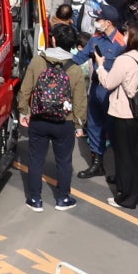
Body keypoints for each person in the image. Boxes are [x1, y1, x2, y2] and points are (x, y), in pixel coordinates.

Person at [17, 23, 87, 211]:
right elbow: (80, 99)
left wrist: (24, 111)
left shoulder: (38, 61)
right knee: (64, 161)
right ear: (72, 44)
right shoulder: (75, 69)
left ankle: (35, 199)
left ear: (53, 39)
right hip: (65, 122)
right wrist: (79, 124)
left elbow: (26, 88)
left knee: (35, 159)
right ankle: (63, 199)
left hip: (39, 118)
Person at [95, 24, 138, 212]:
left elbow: (108, 83)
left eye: (128, 33)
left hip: (124, 114)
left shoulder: (125, 60)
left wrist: (100, 66)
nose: (124, 36)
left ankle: (125, 197)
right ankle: (137, 195)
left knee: (124, 157)